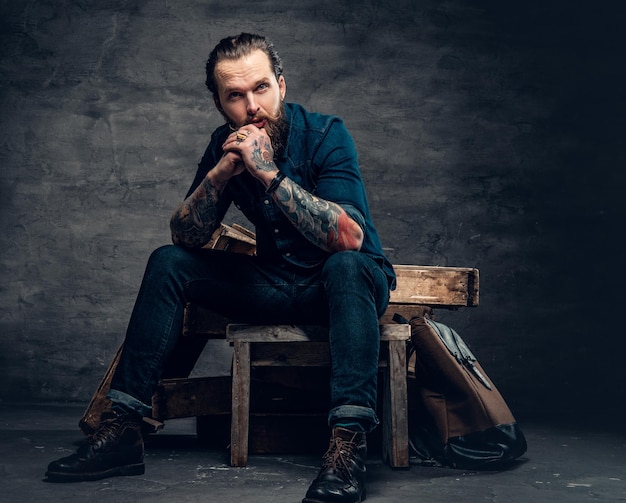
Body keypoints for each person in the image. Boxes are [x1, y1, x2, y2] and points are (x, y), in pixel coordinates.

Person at [45, 32, 395, 503]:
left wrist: (268, 173)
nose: (253, 107)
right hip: (276, 285)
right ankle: (123, 429)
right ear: (220, 103)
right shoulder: (224, 145)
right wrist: (222, 173)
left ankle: (347, 448)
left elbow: (349, 238)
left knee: (347, 268)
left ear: (282, 86)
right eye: (236, 96)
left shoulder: (327, 133)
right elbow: (185, 237)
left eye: (262, 88)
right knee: (168, 263)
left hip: (346, 286)